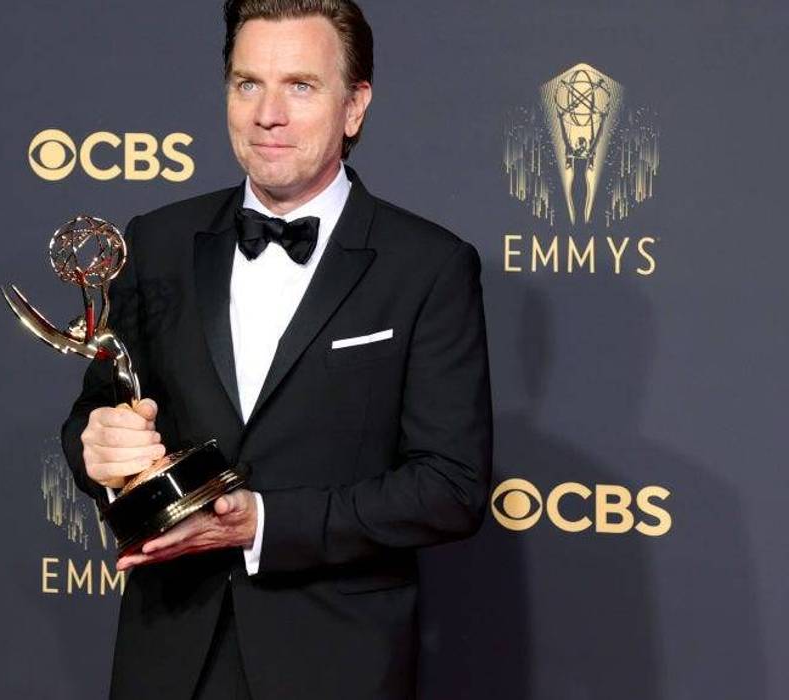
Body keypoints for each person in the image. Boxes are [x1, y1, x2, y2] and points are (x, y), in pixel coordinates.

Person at [61, 1, 492, 698]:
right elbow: (96, 413)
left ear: (354, 106)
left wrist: (264, 522)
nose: (268, 114)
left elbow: (450, 487)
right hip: (169, 654)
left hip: (335, 663)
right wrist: (101, 449)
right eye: (247, 84)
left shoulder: (427, 266)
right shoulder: (156, 241)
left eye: (300, 85)